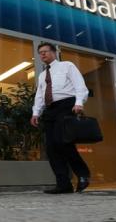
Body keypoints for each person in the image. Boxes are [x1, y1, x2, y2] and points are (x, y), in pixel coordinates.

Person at [30, 42, 91, 194]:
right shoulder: (43, 74)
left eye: (45, 51)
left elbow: (79, 85)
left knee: (63, 142)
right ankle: (63, 184)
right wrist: (36, 113)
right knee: (51, 148)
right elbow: (40, 95)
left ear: (54, 52)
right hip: (50, 110)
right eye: (40, 52)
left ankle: (83, 174)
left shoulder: (67, 66)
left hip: (67, 105)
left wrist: (79, 103)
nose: (42, 54)